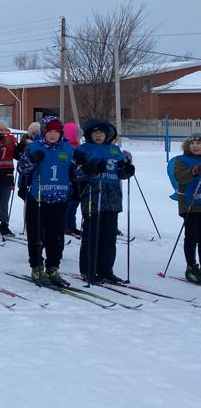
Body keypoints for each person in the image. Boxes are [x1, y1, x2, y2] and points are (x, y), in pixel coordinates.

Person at [74, 119, 134, 284]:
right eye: (95, 132)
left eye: (102, 133)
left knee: (109, 238)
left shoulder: (115, 150)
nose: (99, 135)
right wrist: (90, 168)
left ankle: (106, 270)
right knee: (92, 236)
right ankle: (88, 269)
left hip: (112, 200)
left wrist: (127, 170)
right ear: (89, 134)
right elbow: (76, 173)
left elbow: (121, 173)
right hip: (93, 197)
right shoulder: (82, 150)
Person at [16, 116, 74, 285]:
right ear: (43, 132)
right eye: (49, 131)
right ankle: (37, 267)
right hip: (38, 198)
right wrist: (32, 160)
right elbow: (21, 168)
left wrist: (89, 169)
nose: (53, 135)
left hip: (59, 198)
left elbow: (76, 171)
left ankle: (53, 268)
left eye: (56, 131)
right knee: (36, 235)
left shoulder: (67, 148)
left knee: (56, 237)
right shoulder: (34, 147)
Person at [170, 133, 201, 284]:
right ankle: (191, 267)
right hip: (189, 203)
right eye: (192, 143)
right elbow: (180, 177)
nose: (195, 146)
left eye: (199, 143)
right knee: (192, 235)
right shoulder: (181, 160)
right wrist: (194, 171)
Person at [64, 122, 83, 237]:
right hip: (68, 180)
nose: (79, 136)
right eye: (76, 134)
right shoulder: (66, 147)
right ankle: (65, 225)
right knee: (68, 204)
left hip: (78, 181)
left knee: (75, 204)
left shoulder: (79, 147)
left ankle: (72, 225)